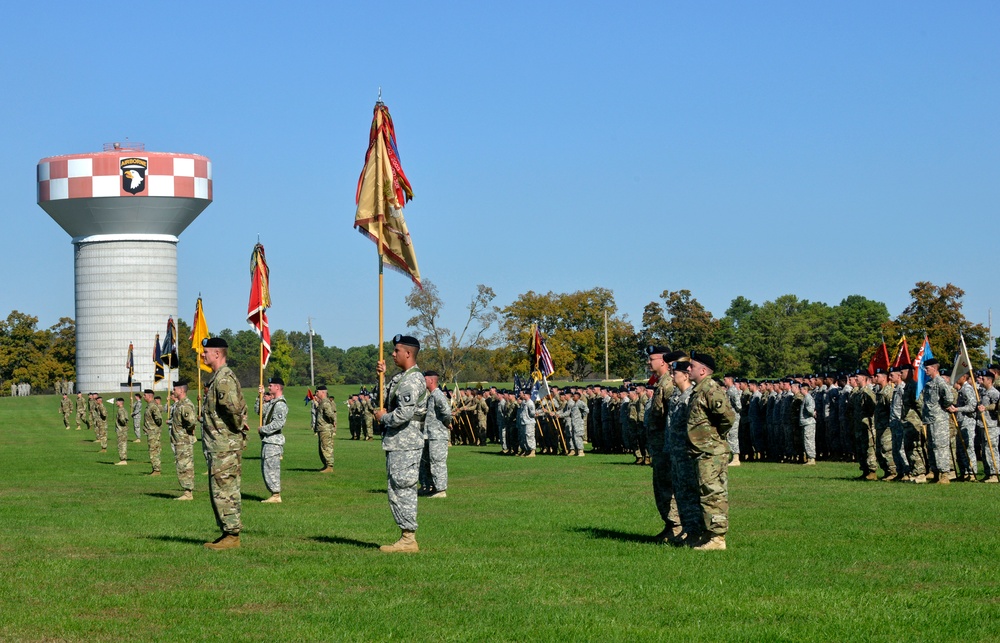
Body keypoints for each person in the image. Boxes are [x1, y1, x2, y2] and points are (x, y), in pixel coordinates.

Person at [374, 334, 428, 553]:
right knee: (396, 487)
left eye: (396, 351)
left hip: (406, 442)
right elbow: (382, 400)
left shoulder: (413, 380)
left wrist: (383, 419)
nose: (393, 354)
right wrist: (381, 377)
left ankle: (408, 539)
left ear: (408, 353)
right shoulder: (400, 378)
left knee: (403, 487)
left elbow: (403, 414)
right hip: (397, 442)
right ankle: (406, 536)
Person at [200, 337, 249, 550]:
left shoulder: (224, 379)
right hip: (219, 445)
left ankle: (232, 535)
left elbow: (232, 408)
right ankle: (226, 532)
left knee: (225, 490)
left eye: (206, 352)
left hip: (225, 446)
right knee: (220, 489)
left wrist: (238, 426)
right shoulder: (217, 378)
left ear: (217, 354)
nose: (203, 355)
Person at [685, 351, 736, 551]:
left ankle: (718, 537)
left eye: (692, 366)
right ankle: (709, 533)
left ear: (703, 370)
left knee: (713, 493)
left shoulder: (711, 389)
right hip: (702, 450)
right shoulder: (699, 390)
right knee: (704, 492)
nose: (688, 369)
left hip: (711, 451)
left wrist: (715, 437)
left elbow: (728, 417)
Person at [645, 346, 683, 544]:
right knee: (660, 486)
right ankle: (670, 525)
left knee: (668, 485)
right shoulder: (661, 383)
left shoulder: (668, 385)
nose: (649, 363)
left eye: (652, 359)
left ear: (663, 361)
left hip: (666, 446)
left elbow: (671, 417)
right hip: (659, 446)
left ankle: (676, 526)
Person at [921, 358, 955, 484]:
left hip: (939, 419)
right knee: (932, 446)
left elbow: (949, 397)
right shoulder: (930, 383)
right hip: (930, 419)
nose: (925, 370)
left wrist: (945, 406)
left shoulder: (940, 382)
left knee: (940, 446)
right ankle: (936, 473)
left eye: (927, 368)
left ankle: (944, 474)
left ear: (934, 368)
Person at [420, 370, 453, 498]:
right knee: (427, 462)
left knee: (437, 461)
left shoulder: (438, 395)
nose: (423, 382)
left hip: (437, 435)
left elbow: (447, 412)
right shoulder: (431, 395)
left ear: (431, 380)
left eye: (425, 379)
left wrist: (445, 423)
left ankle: (440, 490)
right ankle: (430, 486)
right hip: (429, 435)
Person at [256, 375, 287, 503]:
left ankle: (276, 495)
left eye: (271, 385)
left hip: (274, 441)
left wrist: (263, 429)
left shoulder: (280, 404)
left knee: (271, 468)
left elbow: (278, 424)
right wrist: (260, 397)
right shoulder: (273, 402)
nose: (268, 387)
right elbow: (260, 412)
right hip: (268, 440)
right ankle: (274, 494)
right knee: (266, 468)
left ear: (278, 387)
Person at [170, 380, 199, 501]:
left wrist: (185, 432)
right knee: (181, 465)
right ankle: (186, 491)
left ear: (181, 390)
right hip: (179, 441)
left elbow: (191, 421)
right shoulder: (179, 404)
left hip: (183, 441)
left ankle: (188, 493)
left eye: (175, 389)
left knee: (185, 466)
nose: (173, 391)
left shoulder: (185, 404)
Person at [313, 386, 337, 473]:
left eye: (317, 392)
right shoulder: (322, 402)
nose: (316, 393)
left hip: (325, 429)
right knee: (322, 448)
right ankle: (325, 465)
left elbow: (330, 414)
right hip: (321, 428)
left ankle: (329, 466)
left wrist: (333, 421)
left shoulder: (325, 402)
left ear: (322, 392)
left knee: (326, 447)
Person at [142, 390, 163, 476]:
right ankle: (155, 468)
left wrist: (155, 427)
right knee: (153, 450)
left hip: (153, 432)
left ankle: (157, 470)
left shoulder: (153, 406)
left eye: (145, 395)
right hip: (151, 432)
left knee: (153, 450)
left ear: (149, 396)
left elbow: (159, 419)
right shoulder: (149, 405)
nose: (143, 397)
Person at [113, 397, 129, 465]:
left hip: (121, 430)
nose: (116, 403)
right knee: (124, 444)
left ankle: (123, 459)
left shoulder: (120, 410)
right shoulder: (124, 410)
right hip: (124, 430)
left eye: (117, 401)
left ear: (120, 402)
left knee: (121, 445)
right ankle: (123, 459)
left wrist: (123, 424)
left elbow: (122, 419)